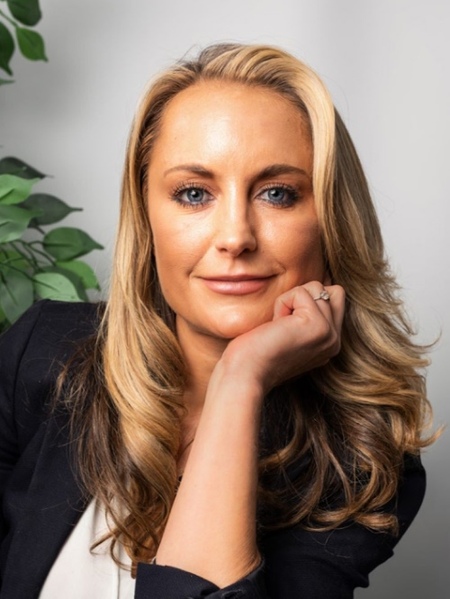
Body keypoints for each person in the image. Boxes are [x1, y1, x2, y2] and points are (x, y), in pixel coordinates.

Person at [0, 43, 435, 599]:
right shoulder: (41, 353)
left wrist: (240, 378)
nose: (235, 237)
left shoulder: (360, 462)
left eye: (277, 194)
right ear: (147, 215)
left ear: (331, 220)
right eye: (193, 194)